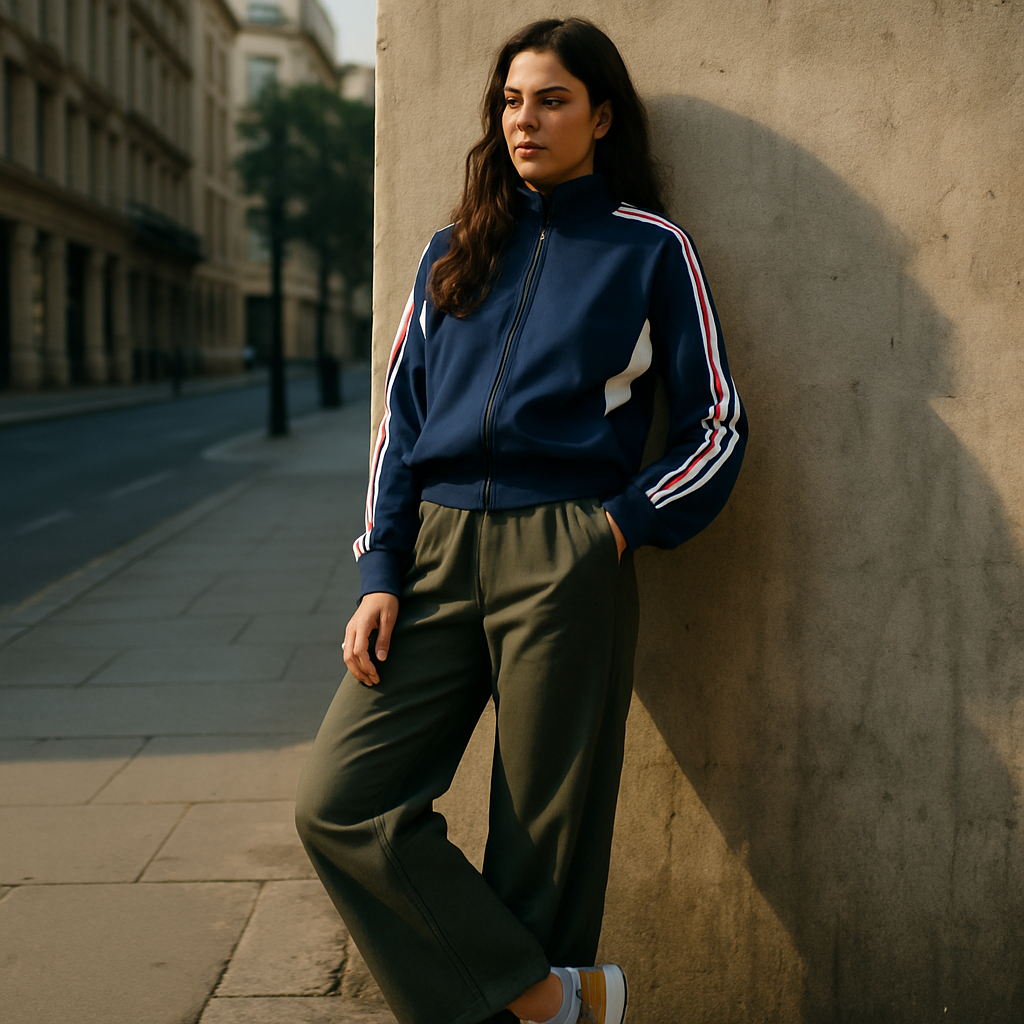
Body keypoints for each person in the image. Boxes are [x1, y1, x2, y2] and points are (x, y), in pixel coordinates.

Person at [295, 17, 747, 1024]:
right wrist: (380, 573)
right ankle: (550, 1000)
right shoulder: (452, 252)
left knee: (543, 845)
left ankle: (540, 993)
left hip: (568, 549)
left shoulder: (649, 249)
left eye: (549, 99)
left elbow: (715, 419)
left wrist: (619, 526)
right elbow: (399, 423)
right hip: (437, 550)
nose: (525, 120)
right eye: (510, 100)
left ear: (600, 115)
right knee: (340, 802)